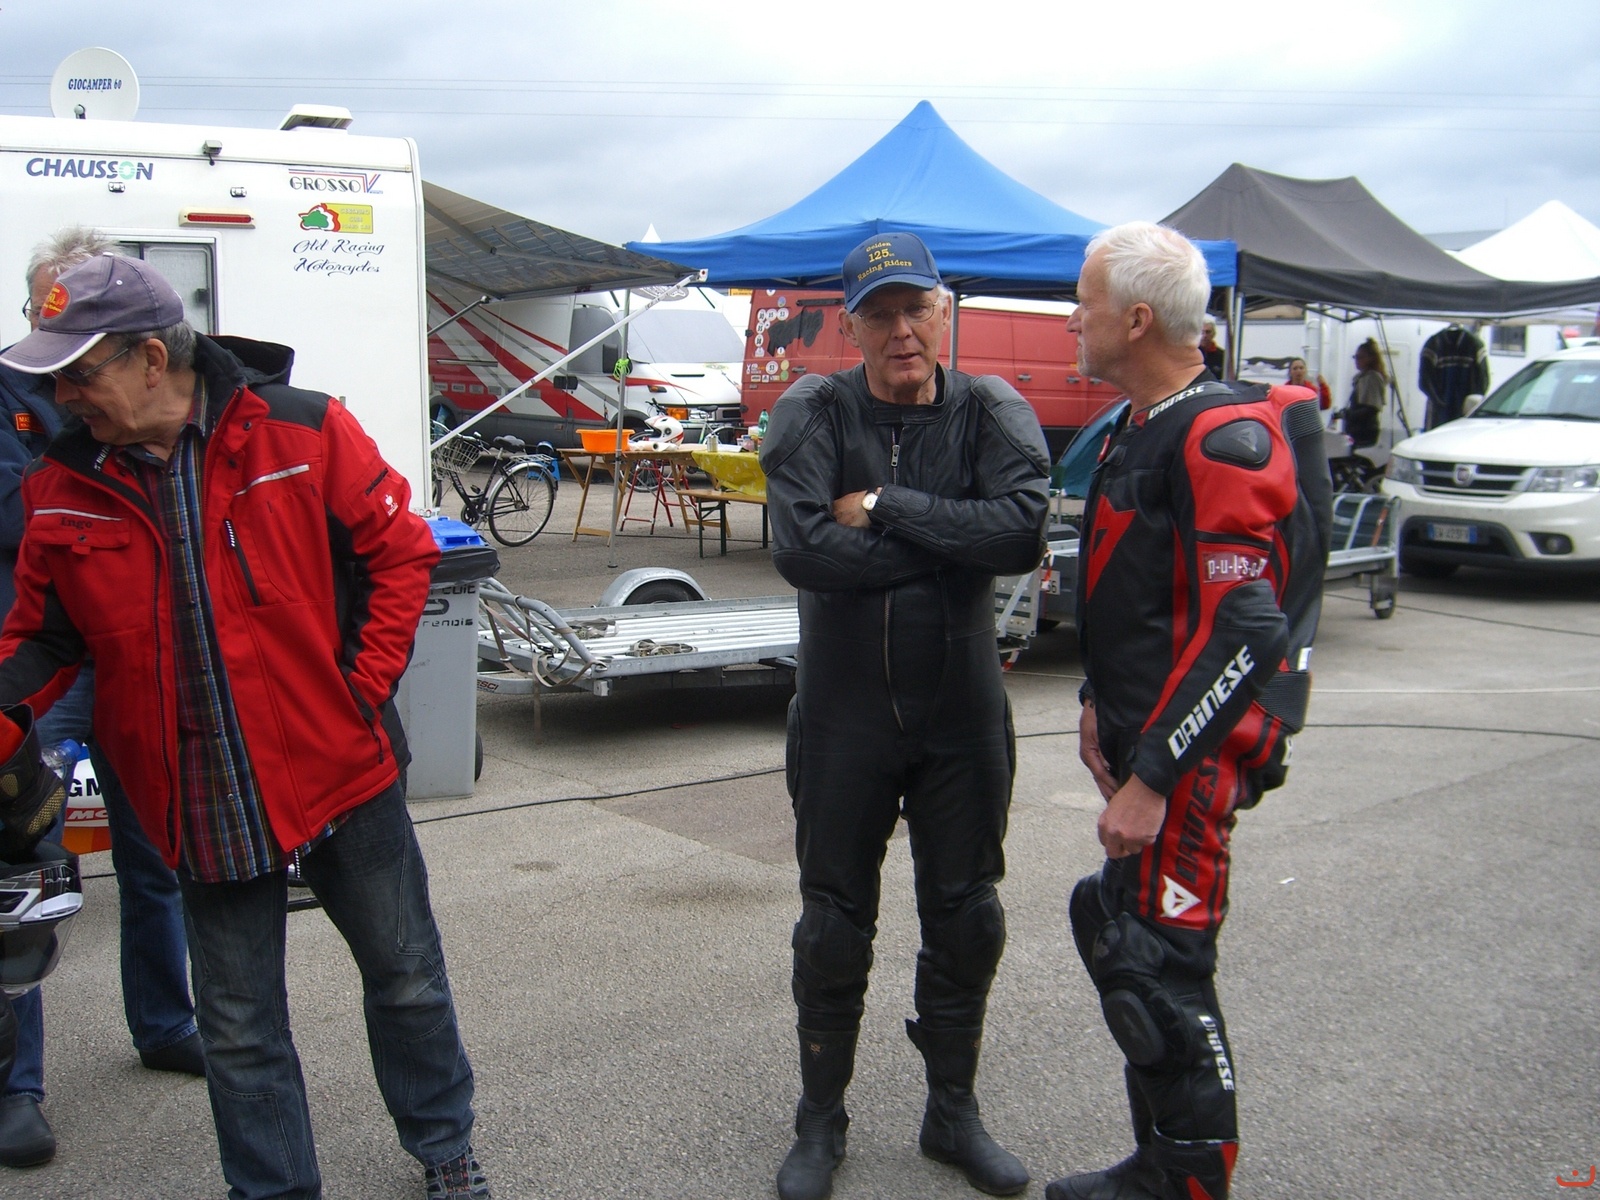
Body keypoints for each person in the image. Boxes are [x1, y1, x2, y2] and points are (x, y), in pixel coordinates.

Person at [0, 254, 490, 1200]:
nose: (61, 397)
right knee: (237, 1023)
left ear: (151, 359)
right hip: (194, 795)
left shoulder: (302, 429)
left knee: (406, 977)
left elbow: (399, 554)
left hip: (340, 770)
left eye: (78, 373)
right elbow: (42, 636)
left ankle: (445, 1148)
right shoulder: (62, 482)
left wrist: (359, 690)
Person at [760, 231, 1049, 1200]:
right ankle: (820, 1119)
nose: (901, 332)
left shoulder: (991, 410)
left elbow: (1019, 532)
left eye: (915, 309)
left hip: (960, 721)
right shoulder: (812, 410)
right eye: (879, 315)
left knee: (968, 917)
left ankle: (951, 1112)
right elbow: (802, 551)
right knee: (831, 927)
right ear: (850, 327)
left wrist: (883, 504)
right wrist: (952, 539)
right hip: (844, 719)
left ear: (943, 311)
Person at [1050, 222, 1329, 1200]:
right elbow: (1139, 596)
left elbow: (1245, 627)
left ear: (1134, 319)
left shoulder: (1219, 434)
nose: (1071, 320)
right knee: (1115, 930)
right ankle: (1158, 1163)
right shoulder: (1144, 421)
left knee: (1158, 970)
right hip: (1144, 744)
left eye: (1083, 302)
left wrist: (1157, 777)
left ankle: (1190, 1180)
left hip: (1189, 761)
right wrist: (1096, 702)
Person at [0, 230, 203, 1171]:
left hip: (120, 650)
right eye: (52, 313)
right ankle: (15, 1086)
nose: (64, 351)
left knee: (153, 846)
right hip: (35, 649)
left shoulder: (140, 404)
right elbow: (19, 509)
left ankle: (165, 1024)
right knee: (21, 867)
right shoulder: (15, 389)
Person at [1341, 338, 1387, 448]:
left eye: (1360, 357)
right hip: (1356, 429)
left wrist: (1349, 414)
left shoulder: (1372, 378)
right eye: (1355, 357)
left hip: (1365, 431)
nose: (1356, 360)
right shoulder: (1361, 378)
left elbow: (1372, 408)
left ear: (1371, 358)